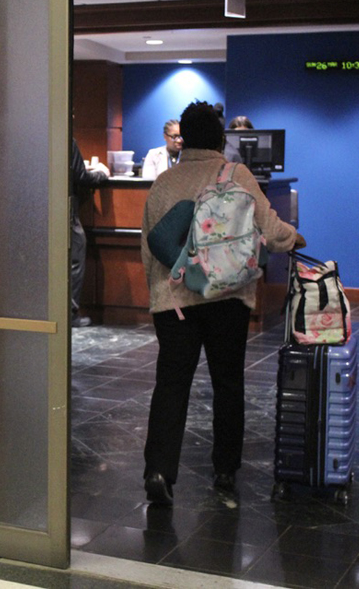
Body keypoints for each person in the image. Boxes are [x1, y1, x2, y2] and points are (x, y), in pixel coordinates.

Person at [139, 100, 304, 505]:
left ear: (184, 139)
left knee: (171, 384)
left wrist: (163, 291)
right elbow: (271, 228)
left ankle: (159, 470)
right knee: (227, 383)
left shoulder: (165, 182)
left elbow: (150, 246)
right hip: (228, 299)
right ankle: (226, 470)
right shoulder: (237, 174)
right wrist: (294, 238)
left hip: (175, 303)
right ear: (220, 138)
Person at [70, 139, 109, 327]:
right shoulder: (65, 138)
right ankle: (69, 313)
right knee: (74, 258)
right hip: (65, 210)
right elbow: (81, 177)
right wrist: (102, 174)